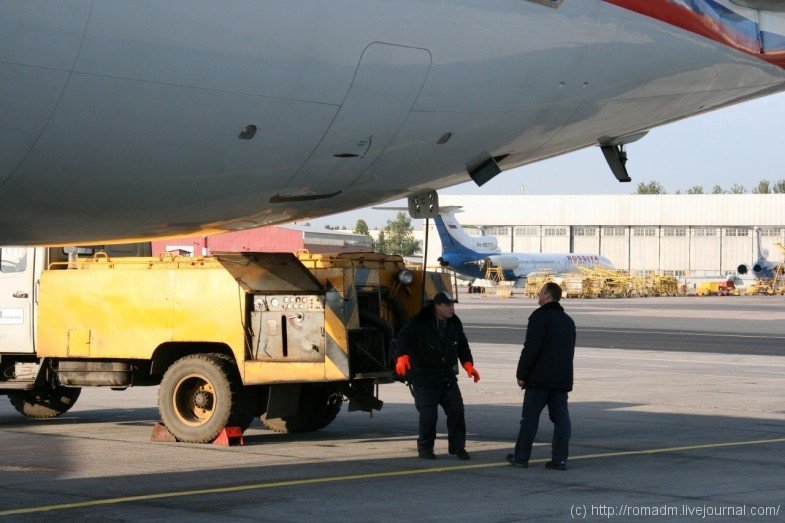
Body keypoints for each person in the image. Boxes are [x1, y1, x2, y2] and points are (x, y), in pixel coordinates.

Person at [394, 291, 480, 460]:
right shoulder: (419, 322)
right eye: (448, 304)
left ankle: (458, 448)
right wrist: (402, 356)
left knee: (456, 411)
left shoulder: (454, 323)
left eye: (453, 304)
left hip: (446, 377)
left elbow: (462, 346)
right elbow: (402, 339)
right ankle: (425, 449)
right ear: (437, 306)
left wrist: (468, 365)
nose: (451, 308)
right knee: (428, 416)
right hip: (424, 378)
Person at [507, 282, 575, 470]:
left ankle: (521, 457)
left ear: (547, 296)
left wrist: (521, 373)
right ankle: (560, 459)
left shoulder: (539, 317)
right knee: (561, 420)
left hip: (539, 379)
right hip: (561, 380)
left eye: (541, 292)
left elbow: (531, 348)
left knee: (530, 419)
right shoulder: (568, 321)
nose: (538, 295)